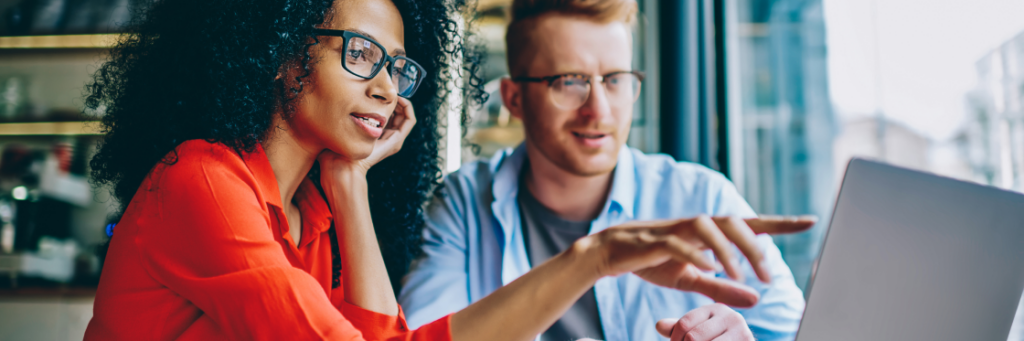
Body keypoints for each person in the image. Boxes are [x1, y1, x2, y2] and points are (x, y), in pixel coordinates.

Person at [83, 0, 810, 339]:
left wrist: (351, 181)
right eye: (359, 54)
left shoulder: (314, 213)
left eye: (397, 67)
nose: (386, 89)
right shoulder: (205, 183)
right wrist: (593, 258)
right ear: (278, 49)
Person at [398, 0, 811, 340]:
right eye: (569, 82)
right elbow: (421, 335)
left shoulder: (702, 198)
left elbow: (802, 333)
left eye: (615, 80)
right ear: (514, 97)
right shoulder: (463, 204)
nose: (599, 109)